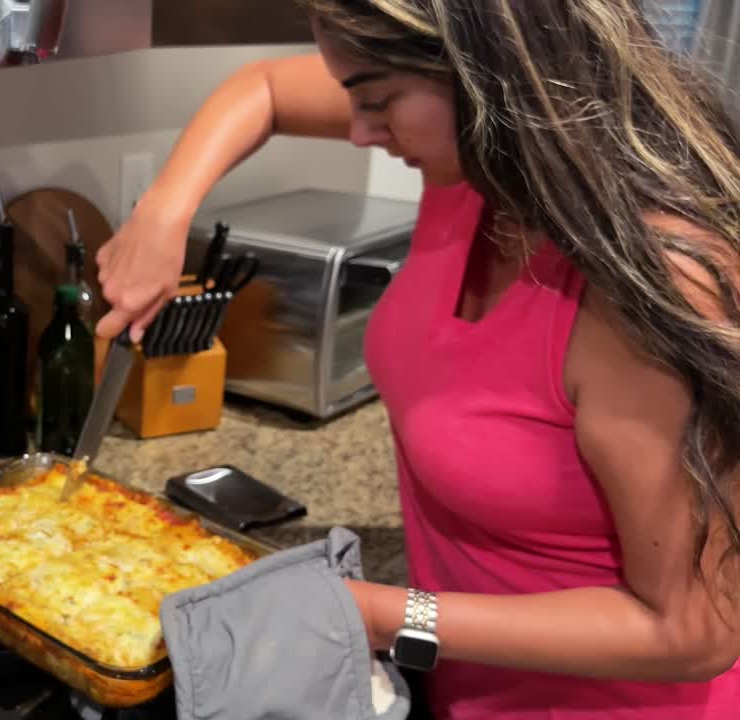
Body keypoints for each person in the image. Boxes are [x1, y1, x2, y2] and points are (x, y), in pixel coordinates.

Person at [92, 1, 740, 717]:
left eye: (377, 101)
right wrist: (162, 213)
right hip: (463, 689)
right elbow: (264, 90)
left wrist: (380, 616)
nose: (362, 132)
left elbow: (695, 631)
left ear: (490, 75)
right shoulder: (479, 176)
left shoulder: (647, 276)